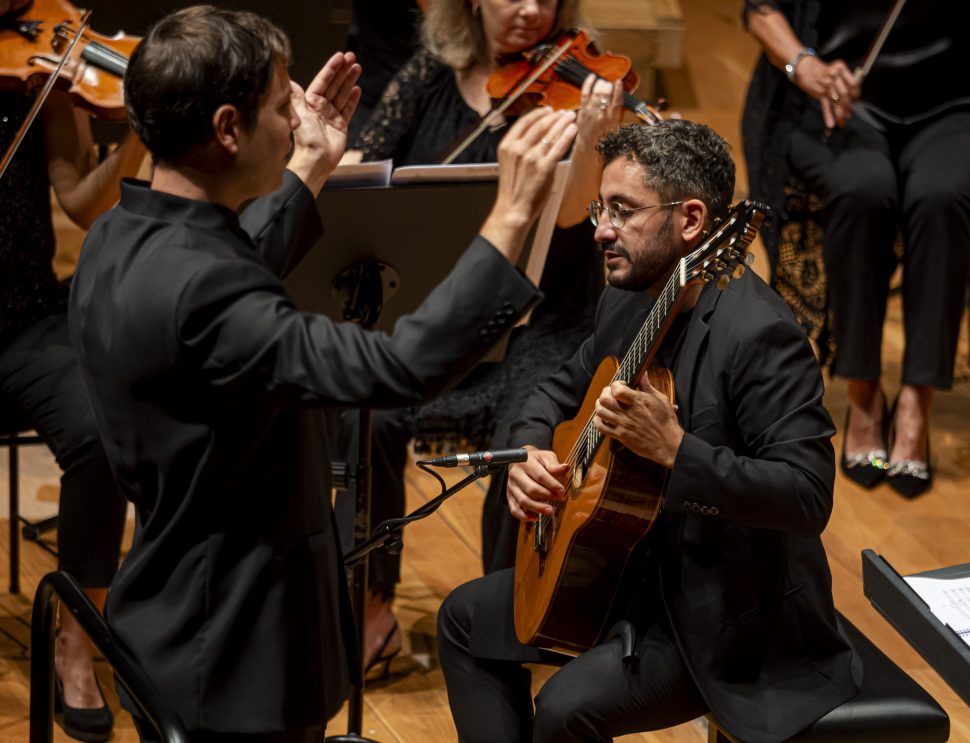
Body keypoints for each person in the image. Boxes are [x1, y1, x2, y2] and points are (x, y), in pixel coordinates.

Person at [67, 5, 577, 740]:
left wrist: (308, 167)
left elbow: (218, 290)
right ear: (226, 128)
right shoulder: (209, 293)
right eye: (281, 107)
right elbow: (399, 365)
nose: (296, 118)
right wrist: (511, 214)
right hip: (240, 650)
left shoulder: (120, 233)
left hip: (168, 612)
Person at [436, 120, 862, 743]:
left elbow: (807, 496)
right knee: (463, 620)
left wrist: (676, 451)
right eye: (600, 208)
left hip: (724, 619)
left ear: (691, 221)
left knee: (564, 709)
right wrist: (528, 451)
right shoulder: (630, 294)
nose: (601, 228)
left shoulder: (761, 337)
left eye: (622, 210)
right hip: (623, 571)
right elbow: (558, 389)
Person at [336, 0, 623, 671]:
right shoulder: (433, 73)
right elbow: (368, 161)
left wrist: (590, 136)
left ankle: (504, 619)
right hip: (441, 319)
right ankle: (371, 603)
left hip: (542, 323)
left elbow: (579, 217)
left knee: (521, 443)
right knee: (367, 411)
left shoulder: (580, 88)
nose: (530, 8)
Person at [741, 0, 970, 497]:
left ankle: (917, 399)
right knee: (862, 190)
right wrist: (803, 65)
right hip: (838, 102)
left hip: (951, 107)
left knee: (943, 198)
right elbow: (760, 9)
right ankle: (863, 390)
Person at [0, 1, 146, 740]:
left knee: (101, 435)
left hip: (21, 317)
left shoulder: (41, 67)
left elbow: (85, 206)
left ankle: (77, 639)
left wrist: (133, 147)